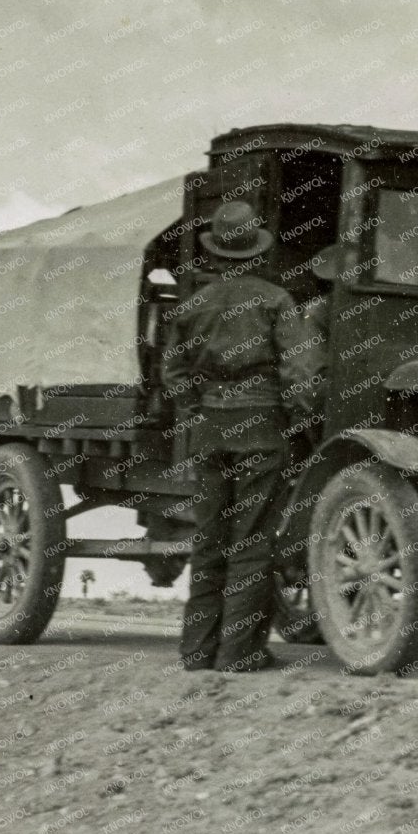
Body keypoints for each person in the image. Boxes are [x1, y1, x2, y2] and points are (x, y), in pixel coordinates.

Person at [163, 199, 323, 672]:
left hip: (209, 430)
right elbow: (304, 373)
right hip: (261, 428)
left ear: (214, 255)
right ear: (257, 254)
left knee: (209, 537)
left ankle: (197, 652)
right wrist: (295, 416)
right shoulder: (276, 301)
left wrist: (197, 409)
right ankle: (240, 653)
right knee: (251, 540)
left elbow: (172, 372)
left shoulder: (193, 307)